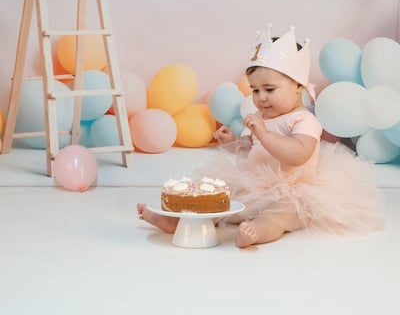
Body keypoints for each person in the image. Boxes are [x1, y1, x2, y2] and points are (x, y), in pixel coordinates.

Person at [137, 25, 384, 248]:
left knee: (278, 215)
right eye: (255, 90)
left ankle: (259, 231)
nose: (261, 97)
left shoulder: (304, 120)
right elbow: (254, 147)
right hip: (255, 183)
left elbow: (299, 154)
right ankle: (177, 222)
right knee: (220, 203)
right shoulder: (264, 117)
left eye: (269, 89)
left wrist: (264, 135)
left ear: (298, 86)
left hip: (294, 190)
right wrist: (234, 142)